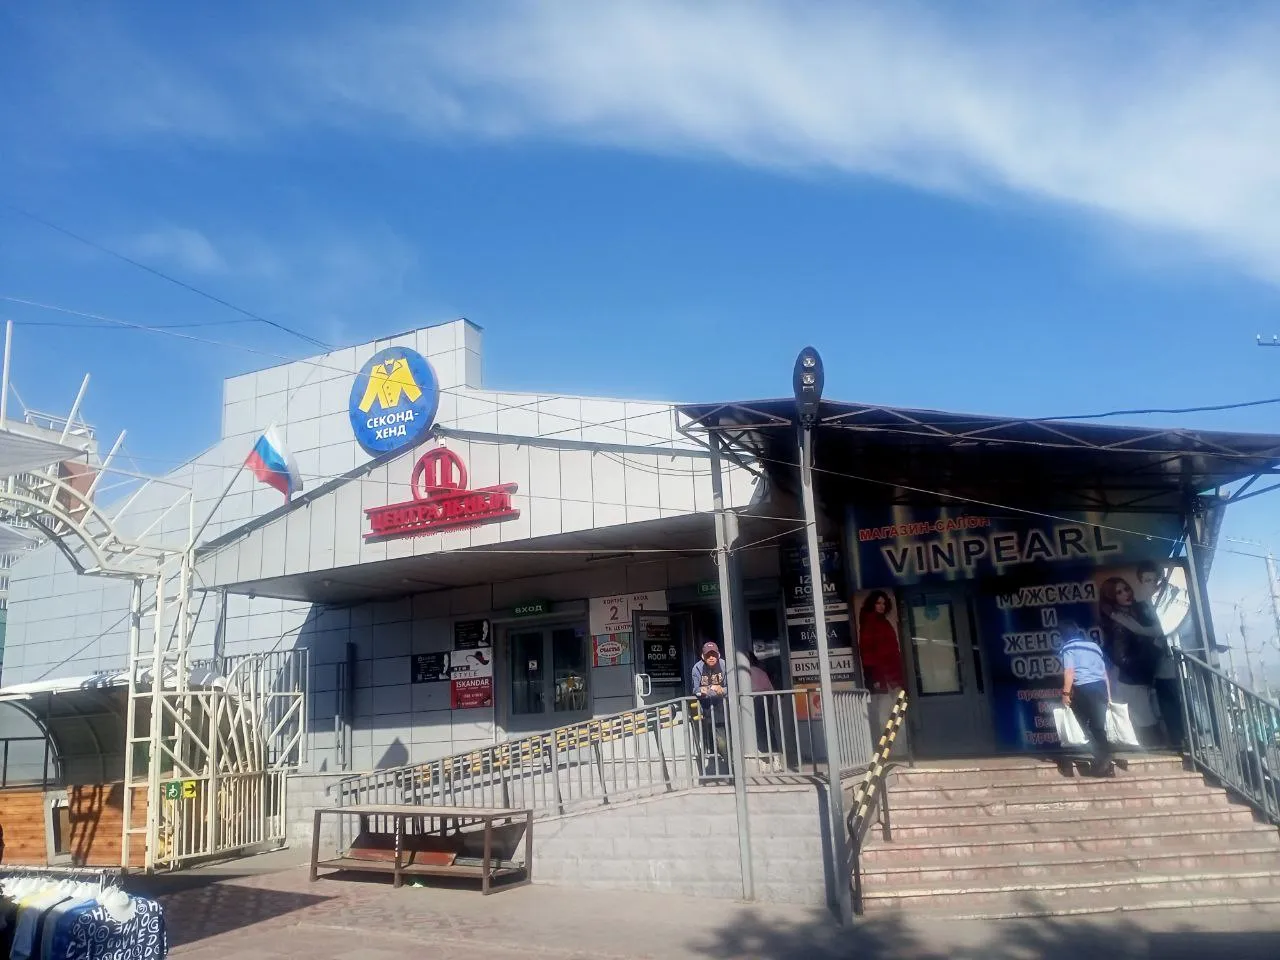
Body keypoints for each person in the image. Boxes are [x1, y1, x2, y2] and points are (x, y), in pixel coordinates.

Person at [1099, 575, 1163, 745]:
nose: (1125, 594)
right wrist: (1146, 661)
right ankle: (1155, 754)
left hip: (1142, 678)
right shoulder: (1120, 623)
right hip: (1133, 681)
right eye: (1118, 592)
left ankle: (1156, 750)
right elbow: (1120, 658)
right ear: (1112, 597)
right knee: (1146, 723)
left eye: (1126, 589)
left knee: (1151, 719)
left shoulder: (1135, 614)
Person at [1061, 622, 1116, 777]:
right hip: (1100, 687)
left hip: (1083, 689)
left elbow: (1069, 672)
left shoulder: (1068, 648)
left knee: (1083, 726)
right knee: (1098, 726)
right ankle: (1105, 760)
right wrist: (1109, 694)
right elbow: (1104, 672)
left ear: (1063, 636)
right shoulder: (1094, 647)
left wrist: (1065, 694)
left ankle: (1102, 758)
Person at [691, 642, 730, 776]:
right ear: (703, 656)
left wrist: (722, 690)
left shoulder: (724, 665)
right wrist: (703, 691)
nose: (711, 657)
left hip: (725, 706)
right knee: (720, 740)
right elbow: (695, 689)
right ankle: (730, 765)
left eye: (714, 654)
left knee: (729, 738)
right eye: (708, 655)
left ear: (718, 655)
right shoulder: (697, 668)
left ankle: (731, 765)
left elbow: (733, 686)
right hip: (708, 709)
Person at [858, 591, 905, 693]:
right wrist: (876, 677)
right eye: (878, 603)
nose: (882, 606)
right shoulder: (870, 622)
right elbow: (867, 652)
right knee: (891, 699)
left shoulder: (883, 621)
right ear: (872, 604)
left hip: (891, 670)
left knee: (900, 697)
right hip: (882, 672)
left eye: (883, 603)